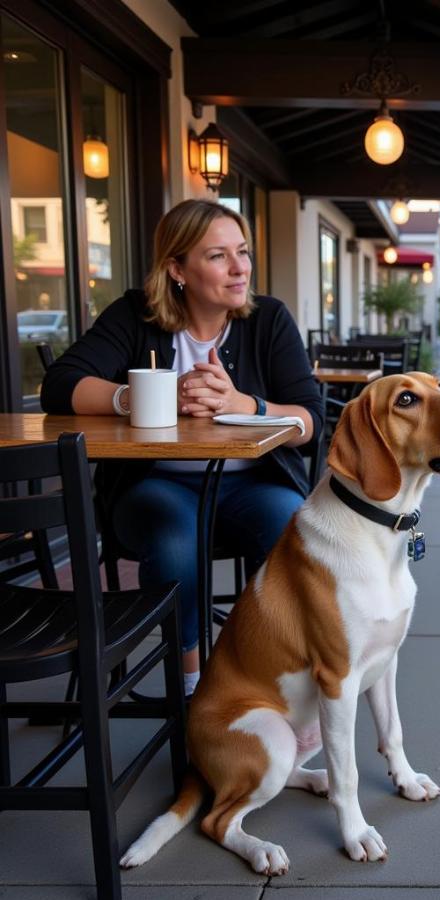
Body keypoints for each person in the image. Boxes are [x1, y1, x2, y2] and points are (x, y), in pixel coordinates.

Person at [41, 199, 324, 695]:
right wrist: (142, 398)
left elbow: (310, 421)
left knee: (291, 525)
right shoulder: (135, 314)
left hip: (250, 483)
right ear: (177, 268)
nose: (240, 268)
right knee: (176, 537)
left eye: (243, 252)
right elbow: (59, 385)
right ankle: (192, 687)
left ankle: (272, 678)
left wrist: (247, 404)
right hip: (154, 484)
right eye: (218, 256)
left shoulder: (269, 320)